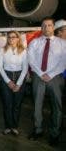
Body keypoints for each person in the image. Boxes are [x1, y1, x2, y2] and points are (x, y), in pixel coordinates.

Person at [28, 17, 66, 146]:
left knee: (57, 106)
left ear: (53, 27)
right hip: (39, 77)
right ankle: (38, 130)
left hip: (55, 77)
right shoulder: (34, 42)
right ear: (41, 28)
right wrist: (41, 73)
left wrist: (50, 74)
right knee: (37, 105)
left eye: (49, 25)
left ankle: (54, 134)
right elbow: (31, 60)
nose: (46, 28)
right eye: (44, 25)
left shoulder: (62, 43)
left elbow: (63, 62)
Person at [0, 31, 28, 136]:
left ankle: (14, 127)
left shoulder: (23, 51)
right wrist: (8, 81)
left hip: (20, 76)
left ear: (18, 38)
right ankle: (7, 126)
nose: (11, 39)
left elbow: (25, 68)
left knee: (17, 105)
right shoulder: (2, 50)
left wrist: (18, 84)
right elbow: (0, 68)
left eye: (14, 37)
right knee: (7, 104)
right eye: (9, 37)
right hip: (6, 77)